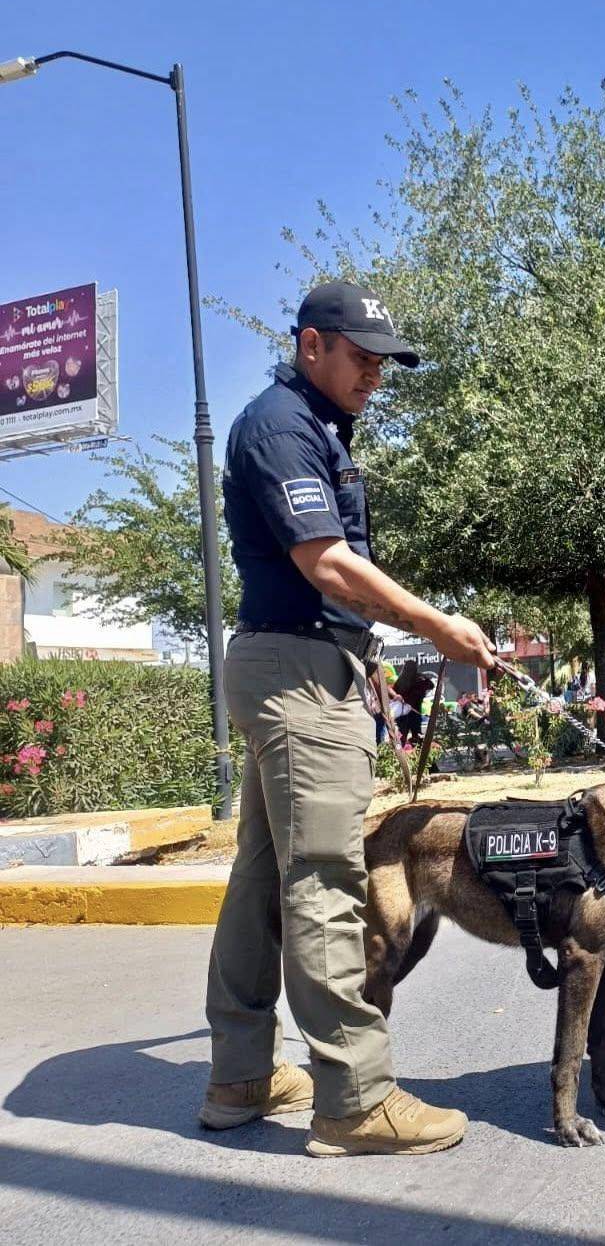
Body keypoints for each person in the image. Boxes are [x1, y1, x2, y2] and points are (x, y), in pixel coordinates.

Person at [203, 281, 496, 1158]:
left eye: (382, 360)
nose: (375, 373)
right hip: (297, 667)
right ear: (308, 346)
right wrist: (435, 624)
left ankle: (241, 1077)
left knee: (262, 880)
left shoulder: (312, 425)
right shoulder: (282, 425)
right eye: (360, 355)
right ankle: (355, 1100)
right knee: (326, 882)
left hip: (294, 661)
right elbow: (325, 561)